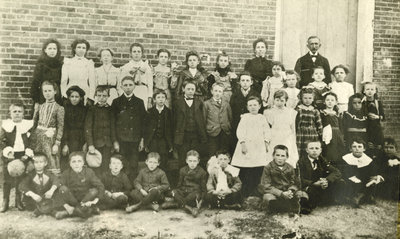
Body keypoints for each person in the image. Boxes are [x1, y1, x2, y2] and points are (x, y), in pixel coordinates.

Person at [231, 96, 271, 197]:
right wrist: (243, 143)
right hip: (246, 145)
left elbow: (267, 131)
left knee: (257, 168)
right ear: (247, 107)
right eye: (250, 105)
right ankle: (244, 192)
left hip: (259, 146)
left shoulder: (262, 118)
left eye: (255, 105)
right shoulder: (245, 117)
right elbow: (240, 131)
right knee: (245, 167)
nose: (253, 107)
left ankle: (255, 191)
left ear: (260, 106)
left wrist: (266, 143)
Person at [112, 75, 147, 182]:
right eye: (125, 85)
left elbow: (143, 122)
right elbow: (113, 124)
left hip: (135, 139)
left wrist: (142, 139)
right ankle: (122, 188)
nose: (128, 87)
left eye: (130, 85)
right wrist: (115, 141)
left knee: (133, 165)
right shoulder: (116, 102)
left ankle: (132, 188)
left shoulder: (139, 102)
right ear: (121, 87)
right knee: (122, 164)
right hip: (121, 139)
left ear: (134, 86)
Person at [0, 103, 34, 212]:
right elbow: (2, 141)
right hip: (9, 154)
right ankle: (5, 200)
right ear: (10, 113)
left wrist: (27, 154)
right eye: (14, 111)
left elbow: (31, 142)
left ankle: (18, 200)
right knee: (7, 178)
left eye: (20, 111)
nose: (17, 114)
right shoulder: (6, 126)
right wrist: (8, 152)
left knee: (21, 177)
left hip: (22, 154)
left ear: (23, 114)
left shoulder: (27, 125)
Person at [258, 145, 308, 214]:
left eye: (283, 156)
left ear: (287, 157)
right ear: (273, 156)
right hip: (275, 193)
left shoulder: (290, 168)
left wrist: (290, 190)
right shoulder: (268, 168)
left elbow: (294, 182)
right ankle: (283, 206)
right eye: (277, 155)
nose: (280, 158)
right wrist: (280, 193)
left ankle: (296, 205)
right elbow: (266, 185)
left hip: (288, 192)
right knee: (268, 198)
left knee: (302, 194)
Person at [297, 141, 343, 214]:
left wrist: (327, 180)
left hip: (321, 184)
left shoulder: (322, 160)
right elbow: (300, 179)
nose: (314, 151)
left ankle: (330, 200)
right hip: (310, 185)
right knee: (310, 193)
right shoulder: (301, 162)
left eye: (317, 148)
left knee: (339, 182)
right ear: (307, 150)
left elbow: (337, 172)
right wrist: (314, 183)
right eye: (311, 148)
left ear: (320, 150)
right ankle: (309, 205)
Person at [55, 151, 104, 219]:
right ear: (70, 164)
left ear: (83, 163)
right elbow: (59, 188)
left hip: (85, 199)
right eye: (73, 162)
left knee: (94, 191)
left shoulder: (89, 172)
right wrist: (66, 206)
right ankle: (88, 210)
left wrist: (94, 201)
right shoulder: (66, 173)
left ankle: (70, 213)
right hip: (72, 200)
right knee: (63, 189)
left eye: (79, 161)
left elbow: (100, 186)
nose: (76, 164)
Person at [31, 81, 65, 175]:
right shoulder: (40, 106)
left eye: (49, 90)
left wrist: (57, 144)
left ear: (55, 91)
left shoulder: (59, 108)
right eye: (45, 91)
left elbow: (60, 126)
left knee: (51, 160)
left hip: (50, 139)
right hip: (38, 138)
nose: (47, 93)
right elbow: (34, 123)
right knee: (38, 160)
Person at [162, 150, 207, 217]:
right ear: (186, 161)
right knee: (174, 192)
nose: (192, 163)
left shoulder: (202, 172)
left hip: (194, 192)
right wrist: (177, 193)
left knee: (191, 197)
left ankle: (176, 204)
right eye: (190, 161)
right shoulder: (182, 170)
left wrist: (200, 202)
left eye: (194, 161)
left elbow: (203, 189)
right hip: (184, 191)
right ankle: (189, 208)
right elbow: (179, 185)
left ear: (198, 161)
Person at [173, 81, 207, 168]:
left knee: (194, 157)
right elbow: (174, 119)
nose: (190, 91)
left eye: (192, 89)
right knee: (183, 158)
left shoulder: (199, 102)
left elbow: (202, 118)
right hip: (183, 134)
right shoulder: (177, 102)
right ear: (183, 89)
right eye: (188, 89)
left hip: (196, 134)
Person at [341, 139, 384, 207]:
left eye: (360, 147)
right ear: (350, 149)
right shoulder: (346, 159)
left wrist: (374, 177)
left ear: (364, 149)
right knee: (347, 182)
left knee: (375, 180)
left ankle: (366, 196)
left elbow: (374, 171)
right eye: (354, 147)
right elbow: (345, 172)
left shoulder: (368, 160)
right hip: (351, 181)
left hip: (365, 181)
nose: (357, 149)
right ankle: (355, 197)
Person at [85, 85, 117, 175]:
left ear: (108, 96)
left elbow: (113, 127)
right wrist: (90, 144)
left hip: (107, 143)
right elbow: (88, 128)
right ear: (95, 96)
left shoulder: (110, 109)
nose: (101, 98)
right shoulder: (92, 109)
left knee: (106, 165)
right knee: (96, 165)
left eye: (104, 96)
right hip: (96, 143)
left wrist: (114, 141)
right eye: (99, 95)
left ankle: (105, 185)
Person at [264, 90, 298, 167]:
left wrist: (293, 140)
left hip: (287, 136)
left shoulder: (291, 112)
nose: (279, 103)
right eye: (277, 100)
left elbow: (293, 128)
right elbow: (267, 127)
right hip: (274, 135)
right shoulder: (268, 112)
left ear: (286, 101)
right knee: (274, 152)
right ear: (274, 100)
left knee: (286, 153)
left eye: (282, 100)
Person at [144, 90, 173, 172]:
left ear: (166, 99)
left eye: (163, 97)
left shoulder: (169, 112)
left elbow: (171, 129)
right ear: (154, 100)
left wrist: (170, 144)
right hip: (153, 140)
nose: (161, 99)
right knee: (152, 160)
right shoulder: (149, 112)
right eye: (158, 97)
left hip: (164, 141)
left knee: (163, 161)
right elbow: (145, 128)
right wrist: (146, 142)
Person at [60, 39, 96, 105]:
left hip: (85, 91)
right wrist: (64, 95)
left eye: (83, 48)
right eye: (79, 47)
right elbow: (64, 81)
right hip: (71, 90)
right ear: (74, 49)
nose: (81, 49)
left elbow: (92, 82)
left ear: (86, 50)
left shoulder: (89, 63)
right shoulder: (68, 62)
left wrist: (90, 97)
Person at [119, 43, 153, 110]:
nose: (136, 54)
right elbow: (121, 83)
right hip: (130, 91)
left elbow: (150, 84)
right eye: (134, 51)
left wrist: (149, 99)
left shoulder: (146, 67)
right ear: (131, 53)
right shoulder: (126, 67)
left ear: (142, 53)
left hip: (143, 91)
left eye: (139, 51)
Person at [30, 38, 64, 106]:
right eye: (50, 48)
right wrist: (36, 100)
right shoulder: (40, 65)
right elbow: (35, 83)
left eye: (54, 49)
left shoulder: (61, 65)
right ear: (45, 50)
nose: (52, 51)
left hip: (57, 96)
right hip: (43, 96)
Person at [61, 86, 87, 171]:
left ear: (81, 98)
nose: (74, 99)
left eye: (77, 97)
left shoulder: (85, 110)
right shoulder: (64, 109)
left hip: (81, 139)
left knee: (80, 160)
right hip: (69, 138)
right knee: (68, 161)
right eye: (72, 97)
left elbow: (86, 127)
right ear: (68, 97)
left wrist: (86, 142)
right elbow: (64, 127)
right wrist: (65, 144)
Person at [203, 82, 233, 157]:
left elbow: (230, 117)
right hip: (212, 132)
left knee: (224, 153)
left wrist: (228, 126)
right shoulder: (206, 104)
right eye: (215, 91)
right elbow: (204, 119)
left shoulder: (226, 104)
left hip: (224, 132)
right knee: (213, 153)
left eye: (220, 91)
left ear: (223, 93)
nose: (217, 93)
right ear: (211, 91)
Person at [230, 71, 260, 139]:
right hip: (237, 122)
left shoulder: (256, 94)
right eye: (243, 80)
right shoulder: (235, 95)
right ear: (239, 82)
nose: (245, 83)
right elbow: (232, 109)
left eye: (247, 80)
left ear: (251, 82)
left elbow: (259, 110)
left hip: (252, 123)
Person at [295, 87, 323, 158]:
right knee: (301, 152)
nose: (307, 100)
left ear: (313, 99)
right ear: (301, 98)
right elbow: (294, 123)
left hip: (312, 134)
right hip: (301, 134)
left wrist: (321, 134)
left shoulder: (315, 111)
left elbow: (319, 124)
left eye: (310, 98)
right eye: (305, 98)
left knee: (311, 150)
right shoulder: (298, 109)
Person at [320, 92, 346, 167]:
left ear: (336, 102)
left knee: (337, 152)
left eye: (332, 100)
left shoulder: (338, 113)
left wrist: (341, 135)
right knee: (328, 151)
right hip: (327, 134)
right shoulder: (322, 112)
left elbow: (341, 126)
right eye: (328, 100)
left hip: (337, 135)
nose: (330, 102)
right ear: (324, 102)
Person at [362, 82, 385, 149]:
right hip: (366, 127)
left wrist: (377, 117)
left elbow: (383, 116)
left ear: (375, 91)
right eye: (367, 89)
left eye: (372, 89)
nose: (370, 91)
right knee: (367, 145)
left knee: (378, 146)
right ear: (364, 91)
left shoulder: (378, 103)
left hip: (376, 128)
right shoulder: (362, 103)